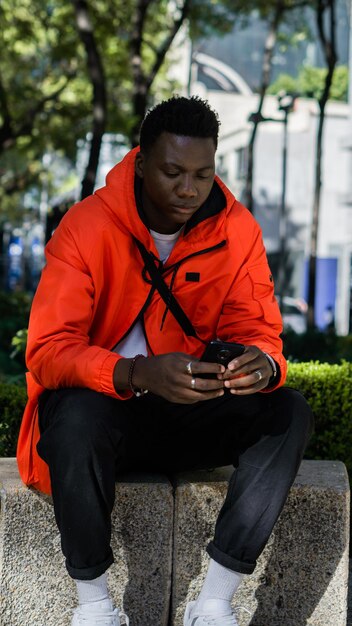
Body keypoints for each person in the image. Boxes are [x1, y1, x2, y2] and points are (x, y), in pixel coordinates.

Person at [17, 96, 313, 626]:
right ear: (141, 162)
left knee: (287, 411)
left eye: (203, 174)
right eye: (173, 171)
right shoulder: (85, 226)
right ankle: (96, 608)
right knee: (74, 414)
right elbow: (47, 351)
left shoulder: (237, 229)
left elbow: (260, 332)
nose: (189, 189)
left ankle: (216, 602)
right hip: (106, 413)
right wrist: (133, 373)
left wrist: (260, 364)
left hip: (189, 410)